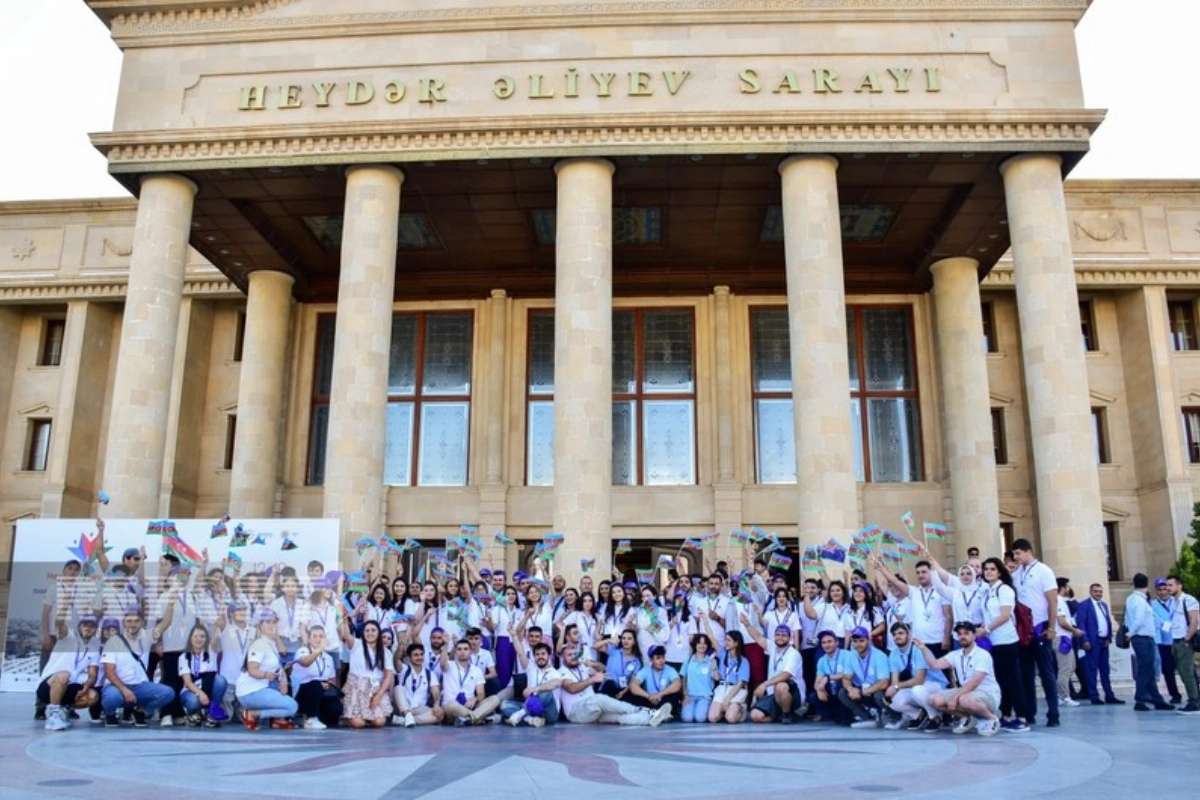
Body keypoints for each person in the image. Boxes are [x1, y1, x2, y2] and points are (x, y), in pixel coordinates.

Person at [917, 621, 1002, 736]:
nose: (962, 636)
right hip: (967, 694)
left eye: (966, 633)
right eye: (960, 634)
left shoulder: (983, 655)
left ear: (974, 635)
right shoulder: (956, 654)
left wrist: (955, 697)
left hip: (987, 694)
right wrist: (923, 648)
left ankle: (991, 719)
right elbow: (935, 664)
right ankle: (968, 719)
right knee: (934, 699)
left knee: (964, 699)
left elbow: (975, 682)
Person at [556, 644, 671, 726]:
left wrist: (591, 663)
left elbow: (603, 668)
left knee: (618, 717)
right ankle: (648, 711)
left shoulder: (582, 667)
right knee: (599, 698)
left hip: (593, 711)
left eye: (575, 654)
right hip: (576, 713)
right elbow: (571, 688)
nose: (573, 657)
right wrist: (592, 680)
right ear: (563, 658)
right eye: (569, 655)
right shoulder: (561, 671)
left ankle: (651, 718)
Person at [1011, 538, 1060, 727]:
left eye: (1018, 553)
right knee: (1026, 673)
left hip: (1040, 627)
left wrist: (1052, 627)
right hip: (1023, 630)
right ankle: (1029, 712)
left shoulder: (1044, 571)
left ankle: (1053, 713)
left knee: (1046, 672)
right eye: (1014, 554)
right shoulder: (1017, 574)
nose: (1016, 557)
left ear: (1027, 551)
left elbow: (1052, 601)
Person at [978, 557, 1028, 732]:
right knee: (1000, 680)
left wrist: (985, 629)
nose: (989, 572)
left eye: (992, 569)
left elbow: (1005, 615)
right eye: (986, 569)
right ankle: (1006, 714)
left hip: (1006, 640)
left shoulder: (1004, 589)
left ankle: (1022, 717)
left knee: (1012, 679)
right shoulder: (987, 590)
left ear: (999, 571)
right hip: (993, 642)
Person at [100, 611, 176, 727]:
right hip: (117, 686)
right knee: (111, 697)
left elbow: (166, 623)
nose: (133, 624)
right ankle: (110, 714)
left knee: (168, 693)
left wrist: (170, 604)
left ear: (142, 623)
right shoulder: (113, 642)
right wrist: (125, 690)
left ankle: (141, 712)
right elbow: (109, 671)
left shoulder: (146, 637)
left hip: (140, 686)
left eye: (136, 621)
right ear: (124, 623)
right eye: (129, 621)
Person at [235, 608, 299, 730]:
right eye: (268, 622)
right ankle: (253, 714)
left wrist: (283, 679)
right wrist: (265, 675)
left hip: (263, 686)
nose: (272, 625)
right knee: (292, 707)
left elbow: (279, 664)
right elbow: (252, 669)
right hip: (250, 691)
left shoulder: (270, 643)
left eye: (274, 622)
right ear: (261, 625)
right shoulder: (259, 644)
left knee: (294, 682)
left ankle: (277, 720)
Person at [37, 615, 101, 731]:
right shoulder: (67, 638)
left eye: (92, 626)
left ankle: (64, 710)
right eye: (85, 625)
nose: (88, 628)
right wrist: (63, 608)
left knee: (93, 696)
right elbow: (59, 624)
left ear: (96, 629)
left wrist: (87, 685)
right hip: (49, 685)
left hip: (69, 684)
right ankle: (53, 715)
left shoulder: (93, 648)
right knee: (64, 674)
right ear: (79, 627)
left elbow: (92, 674)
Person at [1123, 573, 1174, 712]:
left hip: (1141, 637)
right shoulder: (1140, 601)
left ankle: (1157, 699)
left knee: (1150, 669)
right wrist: (1130, 633)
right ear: (1146, 584)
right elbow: (1138, 620)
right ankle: (1140, 699)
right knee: (1145, 669)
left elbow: (1127, 618)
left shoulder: (1130, 599)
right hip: (1143, 637)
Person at [883, 622, 946, 730]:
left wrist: (896, 687)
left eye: (900, 633)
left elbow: (920, 679)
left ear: (909, 634)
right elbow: (895, 681)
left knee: (917, 690)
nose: (897, 636)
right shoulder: (893, 654)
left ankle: (936, 717)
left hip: (936, 684)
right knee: (893, 700)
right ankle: (919, 715)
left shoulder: (918, 649)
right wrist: (892, 690)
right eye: (894, 634)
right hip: (917, 687)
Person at [338, 618, 394, 728]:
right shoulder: (356, 644)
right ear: (363, 633)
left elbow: (388, 677)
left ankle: (368, 716)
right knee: (358, 724)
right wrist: (344, 622)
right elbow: (346, 635)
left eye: (373, 630)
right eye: (367, 631)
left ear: (378, 632)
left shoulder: (385, 652)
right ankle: (353, 717)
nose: (370, 633)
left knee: (379, 723)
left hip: (375, 689)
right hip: (356, 688)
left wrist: (379, 696)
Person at [1074, 582, 1122, 705]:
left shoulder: (1104, 605)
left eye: (1100, 591)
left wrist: (1108, 638)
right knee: (1091, 670)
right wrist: (1084, 640)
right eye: (1096, 591)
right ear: (1090, 592)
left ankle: (1109, 695)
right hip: (1092, 642)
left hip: (1103, 641)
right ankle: (1094, 695)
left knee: (1105, 670)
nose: (1098, 593)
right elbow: (1081, 623)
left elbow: (1107, 623)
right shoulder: (1084, 605)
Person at [838, 626, 891, 728]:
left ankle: (894, 717)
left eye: (861, 641)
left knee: (879, 695)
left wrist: (864, 692)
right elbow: (846, 678)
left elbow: (884, 682)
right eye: (855, 641)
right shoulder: (851, 655)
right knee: (843, 693)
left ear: (868, 640)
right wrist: (850, 689)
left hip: (877, 690)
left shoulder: (879, 656)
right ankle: (868, 718)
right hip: (861, 690)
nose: (858, 644)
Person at [291, 625, 342, 729]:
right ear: (309, 639)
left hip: (321, 692)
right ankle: (310, 719)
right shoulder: (303, 651)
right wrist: (319, 650)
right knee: (315, 684)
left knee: (335, 710)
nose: (318, 639)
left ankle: (318, 716)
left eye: (321, 636)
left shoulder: (328, 658)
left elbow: (331, 678)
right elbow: (305, 662)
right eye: (315, 636)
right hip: (303, 691)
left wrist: (328, 684)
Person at [748, 625, 802, 723]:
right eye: (778, 635)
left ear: (790, 638)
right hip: (773, 694)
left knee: (780, 686)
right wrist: (747, 624)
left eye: (784, 635)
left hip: (792, 694)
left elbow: (786, 675)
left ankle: (787, 714)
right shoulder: (773, 648)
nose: (780, 637)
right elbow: (758, 637)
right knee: (755, 716)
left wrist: (765, 684)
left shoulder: (793, 653)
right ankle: (778, 716)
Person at [441, 639, 502, 726]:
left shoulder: (477, 670)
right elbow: (442, 664)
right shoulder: (449, 665)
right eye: (459, 649)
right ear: (456, 651)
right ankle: (478, 718)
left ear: (470, 652)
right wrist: (446, 644)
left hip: (469, 706)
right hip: (453, 707)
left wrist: (474, 699)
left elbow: (481, 694)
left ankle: (469, 719)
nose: (462, 652)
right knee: (451, 705)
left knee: (495, 699)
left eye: (466, 649)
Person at [502, 641, 561, 727]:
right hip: (531, 708)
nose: (540, 656)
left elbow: (557, 683)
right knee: (504, 705)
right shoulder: (531, 668)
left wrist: (535, 689)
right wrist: (514, 635)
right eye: (537, 654)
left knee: (546, 693)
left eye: (543, 654)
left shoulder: (555, 672)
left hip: (548, 712)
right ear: (534, 656)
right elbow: (520, 653)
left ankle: (520, 715)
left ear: (549, 655)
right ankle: (530, 719)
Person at [178, 624, 226, 727]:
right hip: (191, 691)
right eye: (195, 636)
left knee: (221, 680)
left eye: (202, 636)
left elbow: (216, 640)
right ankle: (193, 714)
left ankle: (211, 714)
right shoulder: (184, 656)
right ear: (190, 638)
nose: (199, 639)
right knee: (193, 702)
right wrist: (200, 693)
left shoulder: (211, 652)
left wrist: (218, 627)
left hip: (207, 688)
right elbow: (188, 682)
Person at [1165, 575, 1200, 714]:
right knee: (1186, 671)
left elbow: (1194, 621)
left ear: (1179, 586)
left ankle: (1194, 701)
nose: (1168, 588)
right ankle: (1195, 698)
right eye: (1167, 585)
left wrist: (1187, 638)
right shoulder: (1173, 602)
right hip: (1177, 640)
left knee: (1186, 672)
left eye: (1170, 585)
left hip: (1186, 640)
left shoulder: (1188, 600)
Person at [394, 642, 444, 727]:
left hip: (419, 708)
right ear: (409, 657)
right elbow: (396, 660)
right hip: (403, 707)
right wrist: (400, 646)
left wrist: (436, 705)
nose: (419, 657)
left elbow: (436, 693)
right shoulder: (404, 669)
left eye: (421, 655)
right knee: (398, 688)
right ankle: (407, 715)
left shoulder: (430, 674)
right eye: (416, 655)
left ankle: (405, 721)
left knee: (440, 714)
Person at [628, 644, 682, 720]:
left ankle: (661, 714)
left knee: (675, 695)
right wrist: (648, 696)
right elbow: (633, 686)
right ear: (651, 660)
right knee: (633, 695)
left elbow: (677, 684)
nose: (661, 661)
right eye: (658, 658)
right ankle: (656, 714)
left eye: (663, 657)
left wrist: (660, 694)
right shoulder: (645, 670)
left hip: (664, 701)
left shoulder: (670, 669)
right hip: (650, 700)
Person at [1151, 579, 1184, 704]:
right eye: (1160, 590)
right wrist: (1165, 624)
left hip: (1177, 638)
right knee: (1168, 670)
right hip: (1163, 642)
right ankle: (1174, 694)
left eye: (1165, 589)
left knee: (1185, 668)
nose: (1163, 592)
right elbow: (1155, 619)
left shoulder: (1176, 601)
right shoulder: (1153, 604)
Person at [1053, 578, 1084, 707]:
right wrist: (1074, 630)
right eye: (1067, 586)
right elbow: (1061, 621)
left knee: (1071, 666)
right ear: (1063, 587)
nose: (1068, 589)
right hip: (1061, 638)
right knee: (1065, 669)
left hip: (1065, 637)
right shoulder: (1058, 601)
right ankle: (1063, 696)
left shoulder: (1059, 601)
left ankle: (1063, 694)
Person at [709, 631, 750, 723]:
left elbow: (740, 684)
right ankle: (726, 711)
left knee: (731, 719)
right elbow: (711, 636)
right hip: (722, 687)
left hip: (735, 689)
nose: (726, 642)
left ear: (736, 643)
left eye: (729, 640)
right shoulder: (723, 654)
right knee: (712, 718)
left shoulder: (743, 661)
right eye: (725, 640)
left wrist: (727, 699)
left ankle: (740, 710)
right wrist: (704, 619)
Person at [678, 634, 717, 722]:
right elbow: (683, 678)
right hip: (690, 696)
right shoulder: (688, 660)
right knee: (687, 719)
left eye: (704, 643)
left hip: (705, 696)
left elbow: (717, 678)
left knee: (700, 718)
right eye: (699, 643)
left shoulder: (710, 660)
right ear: (695, 645)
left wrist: (712, 663)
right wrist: (685, 695)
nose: (702, 646)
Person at [811, 630, 848, 723]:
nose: (826, 645)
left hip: (844, 690)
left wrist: (828, 678)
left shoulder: (847, 655)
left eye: (829, 641)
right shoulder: (822, 660)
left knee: (842, 683)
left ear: (837, 642)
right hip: (830, 692)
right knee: (813, 696)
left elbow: (848, 674)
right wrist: (819, 689)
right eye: (823, 643)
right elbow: (817, 682)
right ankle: (826, 714)